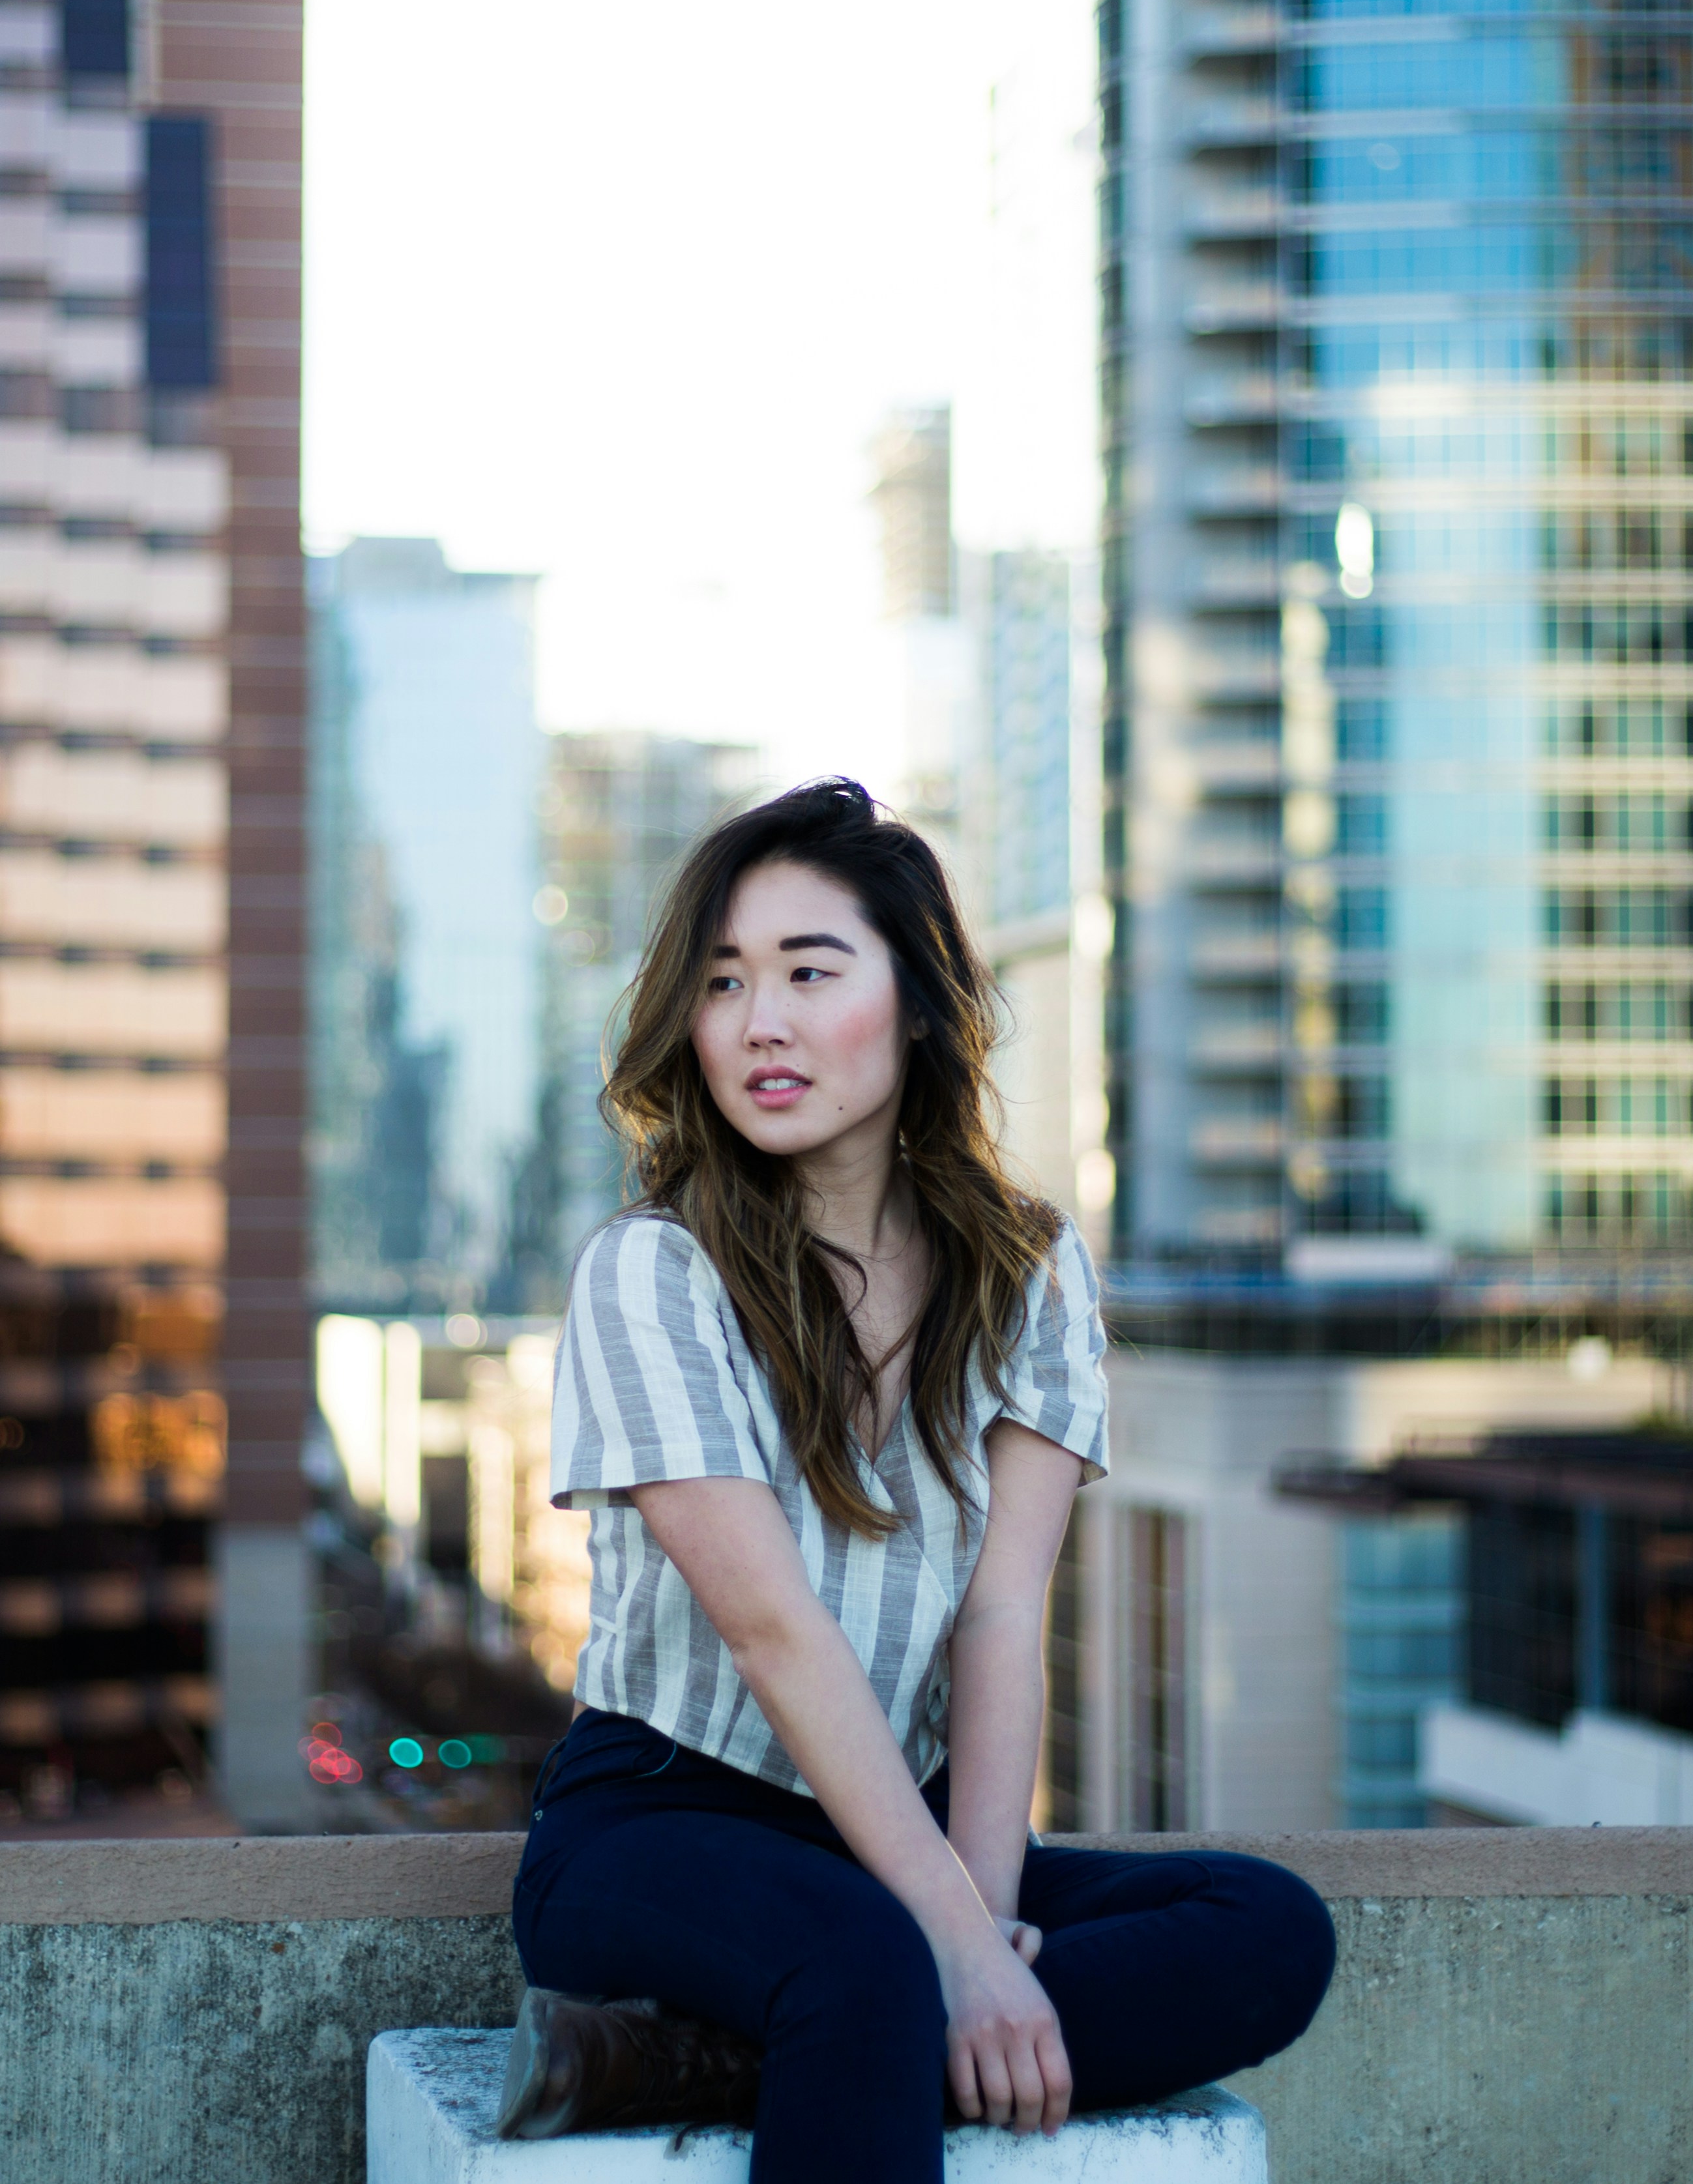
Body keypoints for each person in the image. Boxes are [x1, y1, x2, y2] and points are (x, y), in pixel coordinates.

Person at [496, 778, 1334, 2181]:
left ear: (918, 999)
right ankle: (849, 2019)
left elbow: (1002, 1615)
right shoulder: (652, 1271)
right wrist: (943, 1943)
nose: (758, 1022)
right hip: (658, 1815)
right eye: (719, 984)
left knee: (1267, 1930)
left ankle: (707, 2057)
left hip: (908, 1835)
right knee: (871, 1964)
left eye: (807, 973)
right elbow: (772, 1631)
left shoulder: (1028, 1270)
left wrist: (984, 1922)